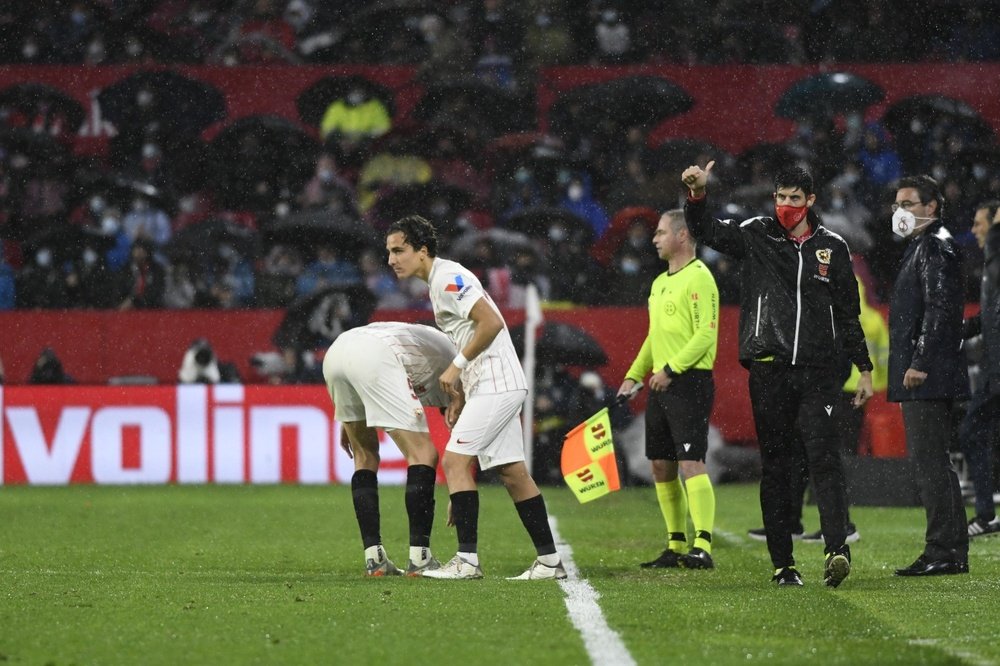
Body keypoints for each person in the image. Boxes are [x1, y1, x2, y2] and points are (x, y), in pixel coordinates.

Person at [681, 161, 873, 588]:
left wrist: (863, 368)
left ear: (811, 202)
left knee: (823, 457)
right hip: (769, 368)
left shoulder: (833, 248)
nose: (785, 205)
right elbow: (708, 231)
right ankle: (783, 564)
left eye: (794, 199)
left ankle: (836, 549)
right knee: (777, 465)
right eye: (780, 197)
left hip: (819, 372)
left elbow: (848, 313)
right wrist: (696, 196)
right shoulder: (756, 233)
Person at [385, 214, 566, 580]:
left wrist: (455, 366)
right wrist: (460, 395)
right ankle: (549, 562)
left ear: (422, 251)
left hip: (497, 383)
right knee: (513, 473)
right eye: (389, 252)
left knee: (453, 463)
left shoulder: (449, 278)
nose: (391, 259)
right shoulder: (438, 284)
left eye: (399, 250)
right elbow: (469, 334)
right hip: (489, 385)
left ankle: (467, 561)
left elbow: (492, 323)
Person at [746, 278, 888, 545]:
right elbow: (881, 357)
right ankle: (794, 522)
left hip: (841, 390)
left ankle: (841, 524)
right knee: (805, 453)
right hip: (832, 387)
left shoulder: (839, 312)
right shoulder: (867, 316)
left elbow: (850, 350)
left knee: (825, 455)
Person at [617, 209, 720, 570]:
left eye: (661, 232)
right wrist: (634, 374)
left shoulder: (700, 277)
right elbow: (654, 336)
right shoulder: (661, 282)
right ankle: (675, 544)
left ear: (681, 236)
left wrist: (672, 369)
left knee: (691, 462)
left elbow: (705, 334)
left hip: (689, 382)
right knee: (661, 465)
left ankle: (703, 545)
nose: (654, 238)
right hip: (662, 383)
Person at [322, 321, 464, 577]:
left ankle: (374, 559)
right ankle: (420, 558)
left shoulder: (432, 344)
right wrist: (459, 493)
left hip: (338, 352)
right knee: (423, 454)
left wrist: (350, 416)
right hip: (376, 354)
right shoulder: (462, 370)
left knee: (365, 456)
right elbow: (464, 433)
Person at [887, 175, 970, 576]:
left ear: (931, 206)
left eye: (908, 204)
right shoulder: (928, 245)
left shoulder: (934, 247)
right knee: (935, 463)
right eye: (896, 205)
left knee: (929, 464)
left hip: (927, 375)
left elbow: (939, 311)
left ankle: (943, 550)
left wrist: (919, 362)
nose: (899, 212)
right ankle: (950, 550)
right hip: (932, 371)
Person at [960, 200, 1000, 537]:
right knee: (976, 432)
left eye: (979, 223)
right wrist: (958, 330)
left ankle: (986, 514)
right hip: (993, 367)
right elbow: (989, 318)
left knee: (973, 431)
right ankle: (986, 513)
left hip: (997, 369)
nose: (974, 230)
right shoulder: (990, 264)